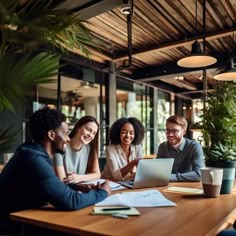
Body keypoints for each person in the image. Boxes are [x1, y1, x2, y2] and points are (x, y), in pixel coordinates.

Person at [0, 107, 111, 233]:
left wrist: (77, 187)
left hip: (25, 221)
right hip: (14, 227)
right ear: (52, 135)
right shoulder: (34, 159)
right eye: (65, 133)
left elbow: (48, 184)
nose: (68, 138)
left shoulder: (31, 151)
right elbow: (71, 201)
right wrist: (103, 192)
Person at [54, 116, 100, 184]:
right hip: (65, 190)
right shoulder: (61, 147)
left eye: (94, 133)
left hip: (79, 188)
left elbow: (97, 174)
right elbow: (62, 181)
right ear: (78, 127)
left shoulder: (90, 148)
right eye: (88, 130)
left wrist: (79, 178)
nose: (91, 135)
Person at [157, 115, 204, 182]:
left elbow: (199, 175)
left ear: (183, 131)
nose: (170, 134)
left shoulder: (194, 147)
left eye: (174, 131)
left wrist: (172, 177)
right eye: (167, 130)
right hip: (166, 187)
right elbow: (157, 172)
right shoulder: (162, 147)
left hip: (189, 188)